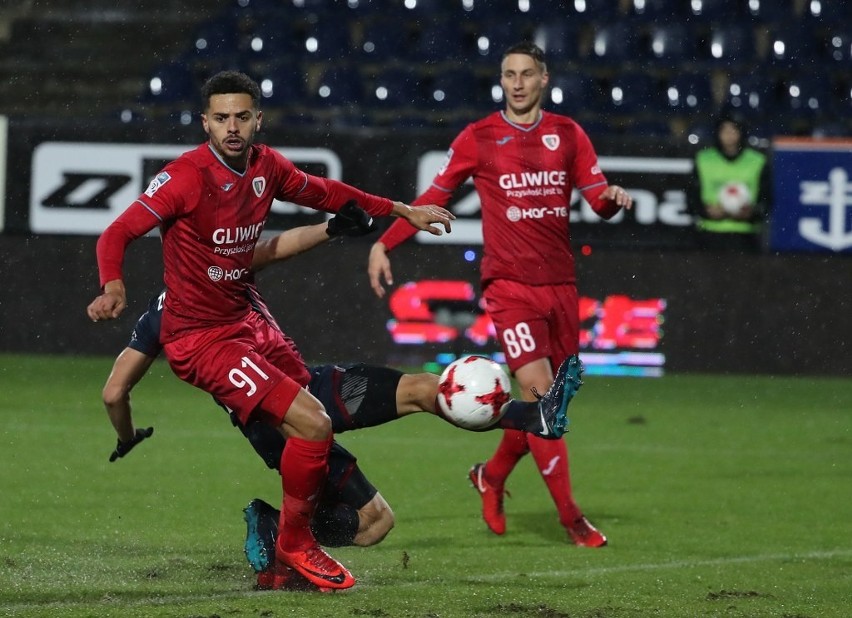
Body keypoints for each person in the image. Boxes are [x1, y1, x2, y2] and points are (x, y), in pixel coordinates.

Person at [87, 70, 455, 591]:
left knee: (318, 421)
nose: (231, 127)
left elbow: (326, 192)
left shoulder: (266, 167)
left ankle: (282, 542)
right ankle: (295, 544)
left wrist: (399, 210)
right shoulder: (184, 177)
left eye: (241, 116)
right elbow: (118, 232)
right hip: (199, 340)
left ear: (257, 120)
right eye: (221, 118)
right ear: (205, 123)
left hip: (243, 326)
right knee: (314, 422)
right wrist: (114, 286)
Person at [100, 197, 575, 592]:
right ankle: (279, 532)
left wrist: (332, 228)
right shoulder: (165, 317)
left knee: (420, 389)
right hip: (277, 421)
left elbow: (115, 393)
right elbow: (115, 390)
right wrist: (125, 435)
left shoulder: (223, 270)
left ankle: (532, 417)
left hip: (310, 383)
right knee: (374, 524)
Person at [367, 42, 634, 548]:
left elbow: (597, 199)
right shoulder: (479, 137)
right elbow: (435, 197)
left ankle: (490, 475)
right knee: (541, 399)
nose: (516, 83)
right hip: (508, 288)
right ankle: (572, 520)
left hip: (561, 287)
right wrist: (386, 240)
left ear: (543, 79)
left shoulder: (568, 134)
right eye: (509, 74)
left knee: (547, 405)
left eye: (526, 74)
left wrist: (613, 200)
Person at [690, 114, 771, 253]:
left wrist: (751, 213)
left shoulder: (757, 161)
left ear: (741, 133)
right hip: (709, 233)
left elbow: (767, 200)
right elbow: (691, 198)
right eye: (724, 130)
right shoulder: (703, 160)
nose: (729, 135)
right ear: (717, 133)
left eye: (733, 130)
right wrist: (706, 211)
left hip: (745, 236)